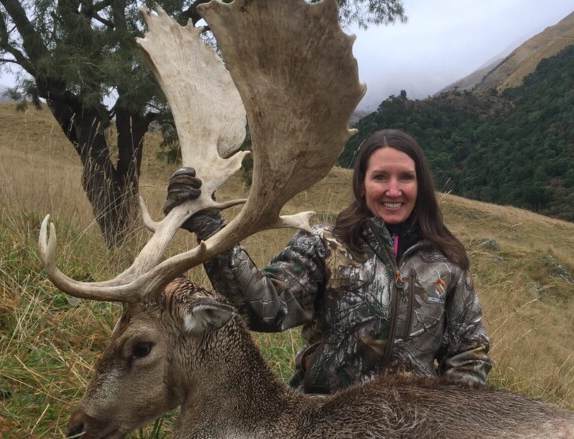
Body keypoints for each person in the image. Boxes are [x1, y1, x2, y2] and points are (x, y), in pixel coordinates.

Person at [165, 129, 492, 393]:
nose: (393, 190)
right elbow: (266, 309)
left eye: (405, 177)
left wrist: (452, 426)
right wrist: (210, 226)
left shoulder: (446, 262)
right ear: (362, 184)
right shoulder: (324, 243)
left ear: (420, 185)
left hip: (408, 432)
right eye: (380, 177)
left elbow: (468, 353)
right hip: (324, 418)